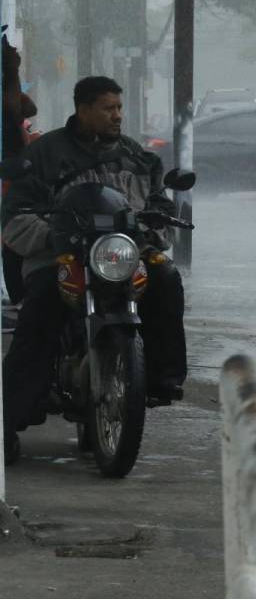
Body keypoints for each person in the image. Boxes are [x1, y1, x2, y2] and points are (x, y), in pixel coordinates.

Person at [3, 76, 187, 464]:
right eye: (108, 108)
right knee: (40, 310)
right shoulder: (45, 155)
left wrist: (156, 228)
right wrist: (54, 238)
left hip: (120, 256)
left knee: (166, 278)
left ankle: (159, 379)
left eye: (119, 108)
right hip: (62, 257)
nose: (117, 115)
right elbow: (14, 216)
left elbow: (161, 208)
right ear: (83, 109)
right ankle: (10, 416)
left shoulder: (139, 158)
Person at [2, 31, 38, 304]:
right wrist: (11, 70)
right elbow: (17, 108)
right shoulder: (14, 129)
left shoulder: (25, 134)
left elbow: (27, 107)